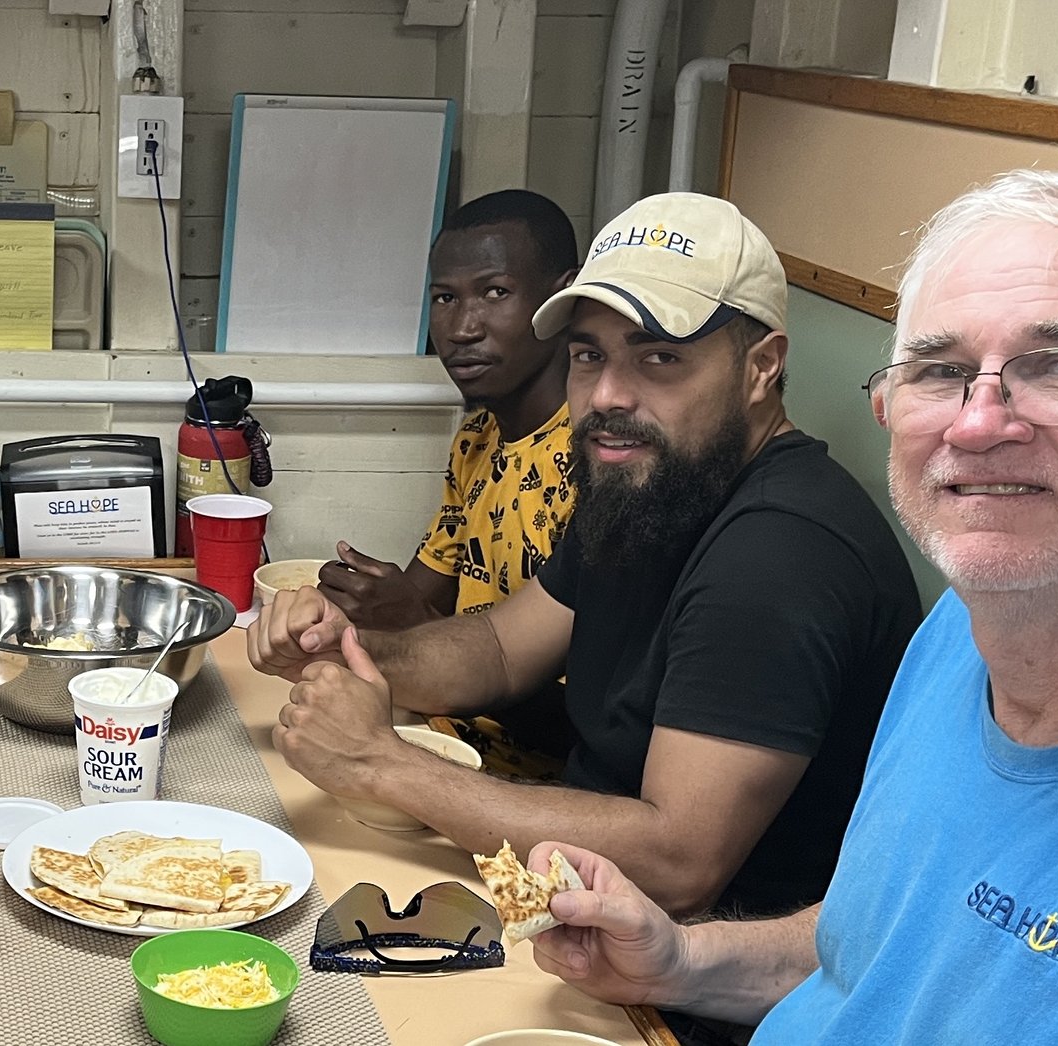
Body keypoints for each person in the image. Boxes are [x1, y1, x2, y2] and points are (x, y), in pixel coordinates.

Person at [530, 170, 1058, 1042]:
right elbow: (867, 950)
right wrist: (679, 960)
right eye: (940, 370)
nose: (977, 424)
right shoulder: (961, 637)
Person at [252, 193, 919, 919]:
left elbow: (678, 860)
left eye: (659, 357)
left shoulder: (781, 556)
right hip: (574, 897)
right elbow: (500, 649)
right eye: (588, 355)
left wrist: (380, 763)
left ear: (762, 367)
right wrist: (345, 648)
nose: (606, 394)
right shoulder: (658, 482)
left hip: (675, 980)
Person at [318, 189, 582, 630]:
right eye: (445, 298)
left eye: (495, 292)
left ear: (563, 300)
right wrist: (352, 607)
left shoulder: (598, 459)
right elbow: (422, 594)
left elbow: (569, 682)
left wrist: (410, 620)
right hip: (454, 693)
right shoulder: (476, 441)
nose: (462, 329)